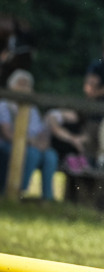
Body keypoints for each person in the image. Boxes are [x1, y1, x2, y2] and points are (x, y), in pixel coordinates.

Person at [0, 70, 58, 201]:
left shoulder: (32, 109)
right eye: (20, 84)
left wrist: (43, 143)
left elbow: (40, 131)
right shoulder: (4, 105)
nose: (24, 88)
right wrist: (29, 141)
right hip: (9, 143)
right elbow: (6, 133)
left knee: (50, 155)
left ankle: (47, 197)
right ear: (11, 86)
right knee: (32, 153)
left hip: (32, 144)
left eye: (27, 85)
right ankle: (18, 190)